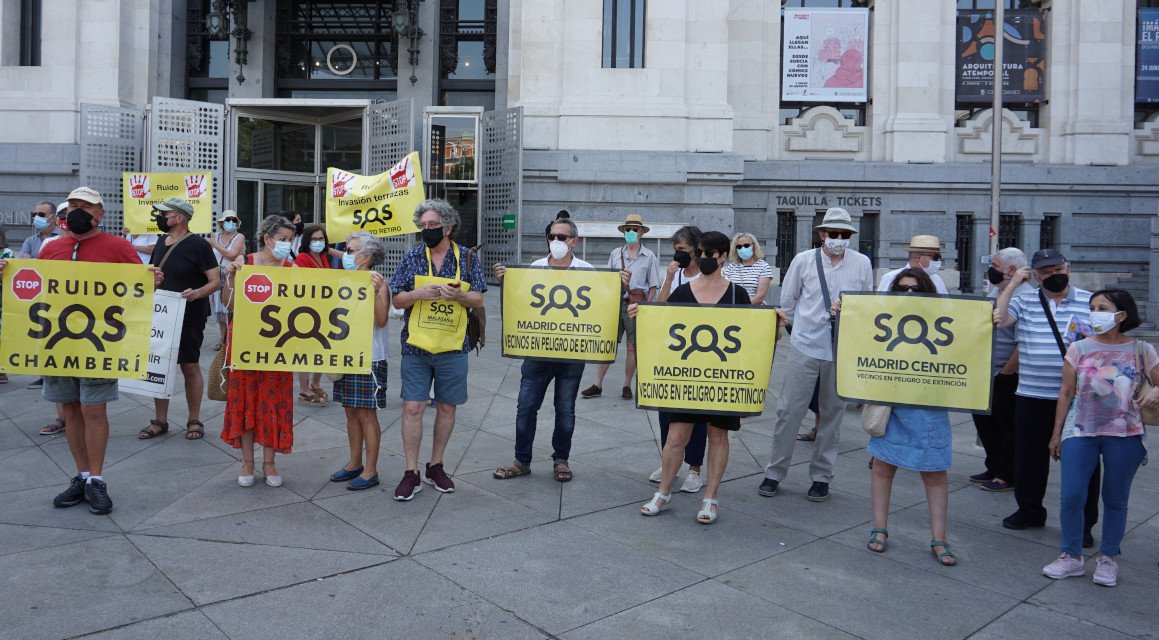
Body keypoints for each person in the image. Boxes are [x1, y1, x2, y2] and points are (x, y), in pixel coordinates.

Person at [8, 187, 162, 515]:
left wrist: (152, 279)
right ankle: (81, 475)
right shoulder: (52, 248)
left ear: (100, 213)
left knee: (94, 410)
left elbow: (138, 289)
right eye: (73, 204)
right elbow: (34, 287)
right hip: (59, 342)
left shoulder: (118, 247)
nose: (78, 210)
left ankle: (96, 479)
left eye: (85, 205)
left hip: (100, 343)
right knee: (71, 410)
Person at [635, 231, 769, 524]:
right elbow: (663, 327)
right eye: (701, 254)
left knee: (717, 436)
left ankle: (710, 498)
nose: (705, 259)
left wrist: (775, 323)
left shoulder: (737, 294)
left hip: (721, 380)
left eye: (711, 254)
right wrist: (642, 313)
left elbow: (749, 335)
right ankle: (663, 492)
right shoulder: (683, 292)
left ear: (723, 256)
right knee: (675, 437)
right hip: (687, 380)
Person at [758, 207, 873, 502]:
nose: (839, 239)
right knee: (788, 411)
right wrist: (799, 327)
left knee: (832, 415)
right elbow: (789, 300)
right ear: (821, 234)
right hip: (805, 344)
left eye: (845, 234)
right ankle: (774, 472)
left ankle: (822, 477)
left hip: (840, 350)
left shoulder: (861, 263)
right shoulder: (804, 260)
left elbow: (867, 306)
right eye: (833, 233)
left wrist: (848, 313)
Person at [1042, 289, 1155, 588]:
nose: (1094, 313)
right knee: (1072, 496)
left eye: (1102, 307)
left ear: (1121, 315)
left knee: (1115, 499)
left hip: (1126, 432)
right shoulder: (1078, 348)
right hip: (1080, 430)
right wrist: (1056, 432)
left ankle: (1108, 558)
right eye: (1092, 307)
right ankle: (1071, 556)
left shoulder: (1143, 350)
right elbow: (1066, 392)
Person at [852, 268, 958, 566]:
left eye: (915, 289)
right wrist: (842, 314)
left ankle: (939, 538)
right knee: (882, 469)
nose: (908, 294)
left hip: (929, 407)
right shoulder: (881, 321)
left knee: (935, 473)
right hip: (892, 404)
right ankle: (879, 528)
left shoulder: (945, 323)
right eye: (902, 288)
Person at [994, 248, 1101, 540]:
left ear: (1068, 268)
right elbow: (999, 319)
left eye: (1057, 270)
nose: (1053, 276)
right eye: (1045, 273)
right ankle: (1030, 510)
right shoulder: (1025, 301)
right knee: (1029, 458)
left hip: (1080, 398)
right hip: (1032, 393)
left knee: (1084, 464)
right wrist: (1014, 284)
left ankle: (1084, 523)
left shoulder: (1090, 301)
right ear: (1036, 276)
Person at [389, 199, 487, 501]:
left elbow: (479, 300)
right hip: (416, 347)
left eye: (433, 225)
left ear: (448, 227)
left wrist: (459, 296)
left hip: (453, 346)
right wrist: (417, 293)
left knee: (447, 407)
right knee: (413, 407)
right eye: (423, 226)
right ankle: (410, 471)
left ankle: (435, 465)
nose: (427, 230)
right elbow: (396, 300)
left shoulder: (468, 258)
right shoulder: (412, 257)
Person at [492, 217, 594, 483]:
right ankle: (521, 460)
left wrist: (622, 287)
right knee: (526, 407)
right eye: (552, 236)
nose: (556, 242)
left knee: (565, 409)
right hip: (537, 351)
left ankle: (561, 459)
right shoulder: (535, 267)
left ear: (575, 241)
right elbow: (521, 302)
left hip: (572, 352)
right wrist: (506, 282)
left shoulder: (588, 270)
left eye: (562, 237)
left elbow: (599, 308)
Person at [220, 215, 297, 488]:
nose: (288, 244)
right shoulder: (246, 263)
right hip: (245, 345)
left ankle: (269, 462)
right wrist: (231, 277)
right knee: (246, 401)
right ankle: (248, 462)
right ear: (268, 238)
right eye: (284, 239)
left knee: (274, 403)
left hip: (278, 347)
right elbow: (229, 304)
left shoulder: (292, 267)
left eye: (291, 239)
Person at [138, 198, 220, 441]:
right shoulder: (162, 241)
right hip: (161, 313)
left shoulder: (199, 245)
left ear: (180, 217)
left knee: (190, 365)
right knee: (159, 367)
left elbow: (215, 282)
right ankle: (159, 420)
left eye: (165, 213)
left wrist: (197, 293)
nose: (160, 216)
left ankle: (194, 419)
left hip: (189, 315)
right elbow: (154, 273)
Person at [328, 232, 391, 491]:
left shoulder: (379, 283)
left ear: (366, 256)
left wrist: (376, 292)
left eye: (352, 251)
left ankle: (371, 469)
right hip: (346, 354)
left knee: (366, 414)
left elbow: (380, 321)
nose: (347, 255)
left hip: (369, 357)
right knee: (350, 411)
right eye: (347, 250)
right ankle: (354, 462)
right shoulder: (343, 280)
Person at [649, 225, 708, 493]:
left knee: (697, 416)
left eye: (682, 249)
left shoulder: (708, 276)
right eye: (676, 248)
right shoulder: (675, 274)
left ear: (697, 250)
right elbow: (660, 310)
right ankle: (669, 460)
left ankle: (694, 468)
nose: (678, 253)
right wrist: (670, 278)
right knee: (666, 412)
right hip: (672, 352)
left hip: (700, 354)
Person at [970, 248, 1033, 492]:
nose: (991, 270)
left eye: (995, 266)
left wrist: (1007, 372)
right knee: (986, 423)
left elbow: (1022, 340)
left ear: (1012, 270)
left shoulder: (1024, 296)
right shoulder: (998, 290)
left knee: (1006, 426)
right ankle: (994, 466)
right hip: (987, 370)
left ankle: (1007, 474)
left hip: (1005, 373)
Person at [581, 213, 659, 400]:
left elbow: (654, 285)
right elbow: (609, 280)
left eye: (635, 229)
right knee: (607, 343)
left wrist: (646, 308)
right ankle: (597, 384)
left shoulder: (649, 256)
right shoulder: (616, 254)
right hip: (615, 303)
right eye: (628, 229)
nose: (631, 232)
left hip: (636, 306)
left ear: (641, 232)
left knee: (632, 346)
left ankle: (626, 385)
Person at [293, 224, 335, 405]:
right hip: (307, 309)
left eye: (321, 239)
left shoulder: (323, 256)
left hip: (324, 308)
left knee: (322, 346)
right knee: (306, 348)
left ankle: (315, 382)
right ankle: (303, 389)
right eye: (314, 239)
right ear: (307, 240)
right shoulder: (303, 258)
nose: (318, 242)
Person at [208, 210, 246, 351]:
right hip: (216, 275)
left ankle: (233, 338)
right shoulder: (215, 236)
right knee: (219, 309)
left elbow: (232, 254)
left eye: (233, 220)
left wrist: (215, 245)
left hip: (231, 273)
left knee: (230, 307)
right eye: (228, 220)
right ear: (221, 222)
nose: (231, 223)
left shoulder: (239, 237)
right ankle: (222, 338)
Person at [877, 235, 950, 294]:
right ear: (918, 258)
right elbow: (880, 306)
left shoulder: (937, 280)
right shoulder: (891, 277)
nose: (939, 260)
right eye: (936, 257)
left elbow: (945, 307)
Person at [723, 232, 775, 305]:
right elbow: (724, 289)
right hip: (733, 309)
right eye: (739, 247)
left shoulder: (763, 267)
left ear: (754, 246)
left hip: (753, 310)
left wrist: (744, 308)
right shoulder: (731, 267)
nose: (743, 248)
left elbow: (760, 297)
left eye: (746, 245)